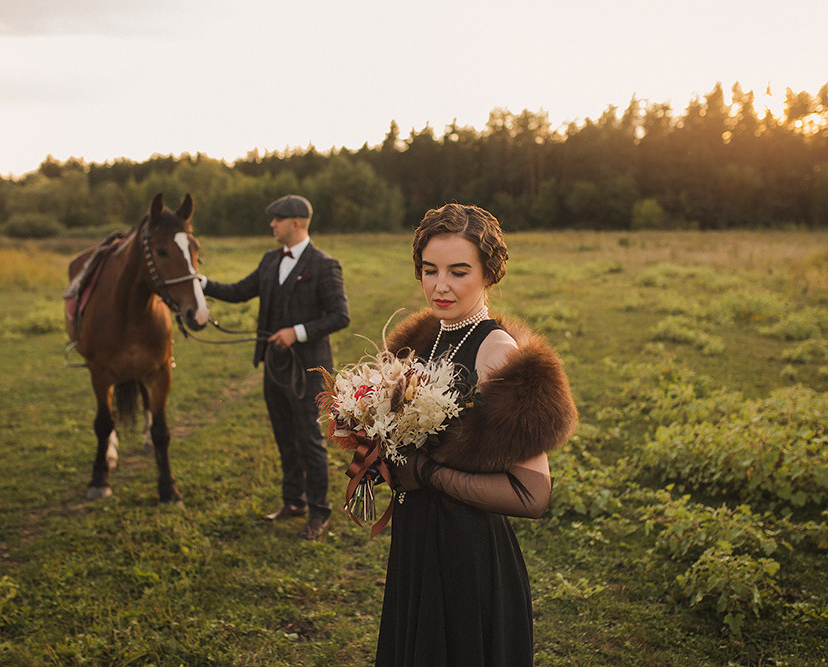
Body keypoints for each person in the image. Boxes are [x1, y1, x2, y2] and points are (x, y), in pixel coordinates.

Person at [375, 203, 578, 665]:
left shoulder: (496, 350)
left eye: (458, 271)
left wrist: (425, 473)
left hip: (467, 555)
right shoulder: (427, 337)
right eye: (430, 270)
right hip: (419, 543)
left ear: (489, 273)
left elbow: (532, 495)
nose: (440, 285)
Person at [201, 194, 350, 540]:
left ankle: (319, 511)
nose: (272, 225)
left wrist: (296, 333)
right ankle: (292, 501)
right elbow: (239, 291)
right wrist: (201, 283)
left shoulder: (324, 264)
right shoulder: (270, 260)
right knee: (284, 437)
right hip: (274, 368)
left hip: (309, 370)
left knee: (309, 439)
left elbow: (340, 316)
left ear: (296, 223)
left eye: (277, 220)